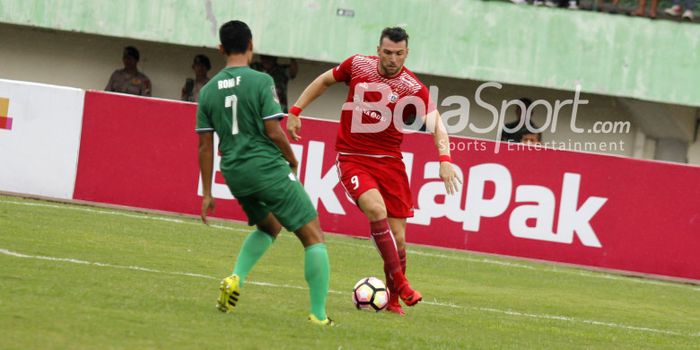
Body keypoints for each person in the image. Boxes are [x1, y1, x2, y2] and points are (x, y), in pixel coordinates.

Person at [287, 27, 461, 316]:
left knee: (399, 237)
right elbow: (324, 80)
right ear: (378, 49)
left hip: (391, 163)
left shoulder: (412, 87)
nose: (393, 59)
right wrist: (295, 110)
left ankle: (393, 300)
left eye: (399, 53)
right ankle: (403, 285)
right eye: (388, 52)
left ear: (407, 53)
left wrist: (445, 158)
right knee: (375, 209)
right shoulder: (357, 65)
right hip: (353, 158)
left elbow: (437, 124)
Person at [196, 20, 332, 326]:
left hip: (234, 172)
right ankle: (320, 316)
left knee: (269, 227)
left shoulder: (207, 91)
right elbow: (273, 130)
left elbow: (205, 146)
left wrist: (207, 193)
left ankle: (236, 278)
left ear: (220, 49)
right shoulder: (260, 81)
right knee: (314, 237)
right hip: (266, 168)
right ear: (251, 45)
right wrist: (291, 159)